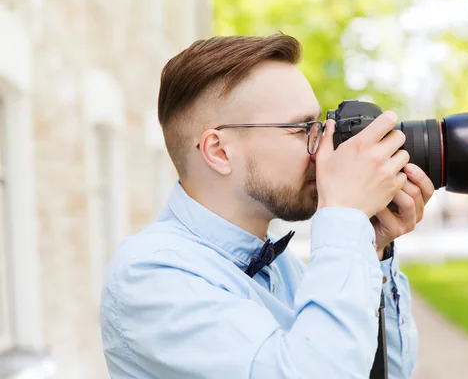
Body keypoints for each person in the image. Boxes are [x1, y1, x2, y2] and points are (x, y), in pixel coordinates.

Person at [100, 33, 435, 379]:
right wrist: (344, 218)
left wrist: (370, 245)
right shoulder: (152, 276)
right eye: (302, 128)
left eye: (319, 126)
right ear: (218, 151)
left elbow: (384, 373)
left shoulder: (284, 268)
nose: (323, 147)